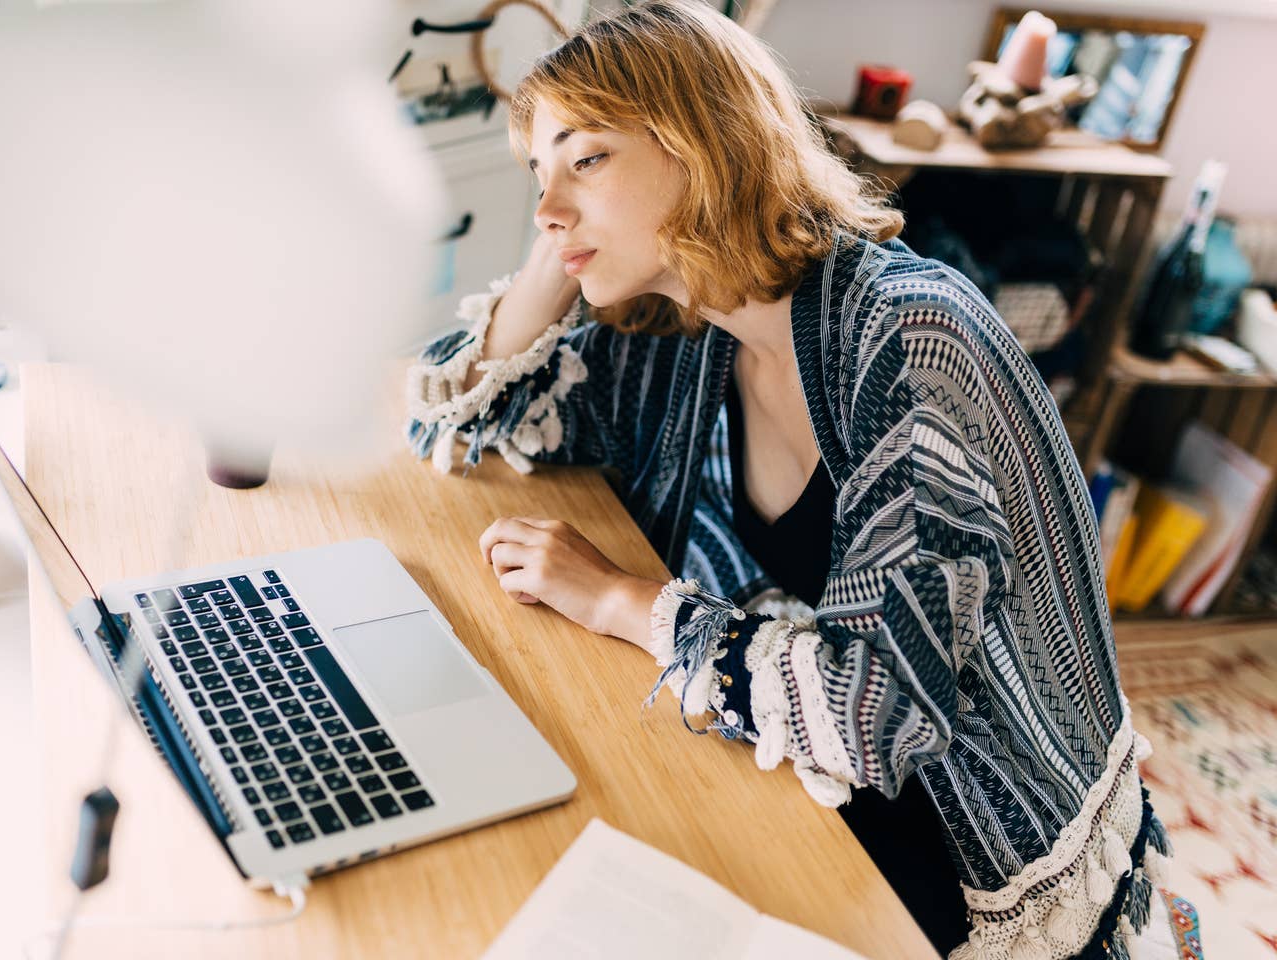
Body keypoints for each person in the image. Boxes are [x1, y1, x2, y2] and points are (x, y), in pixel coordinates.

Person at [406, 3, 1180, 958]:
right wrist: (555, 256)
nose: (547, 200)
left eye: (588, 157)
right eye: (538, 171)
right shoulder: (686, 330)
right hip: (801, 743)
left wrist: (621, 598)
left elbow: (875, 716)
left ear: (703, 144)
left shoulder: (910, 343)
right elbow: (468, 422)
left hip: (966, 826)